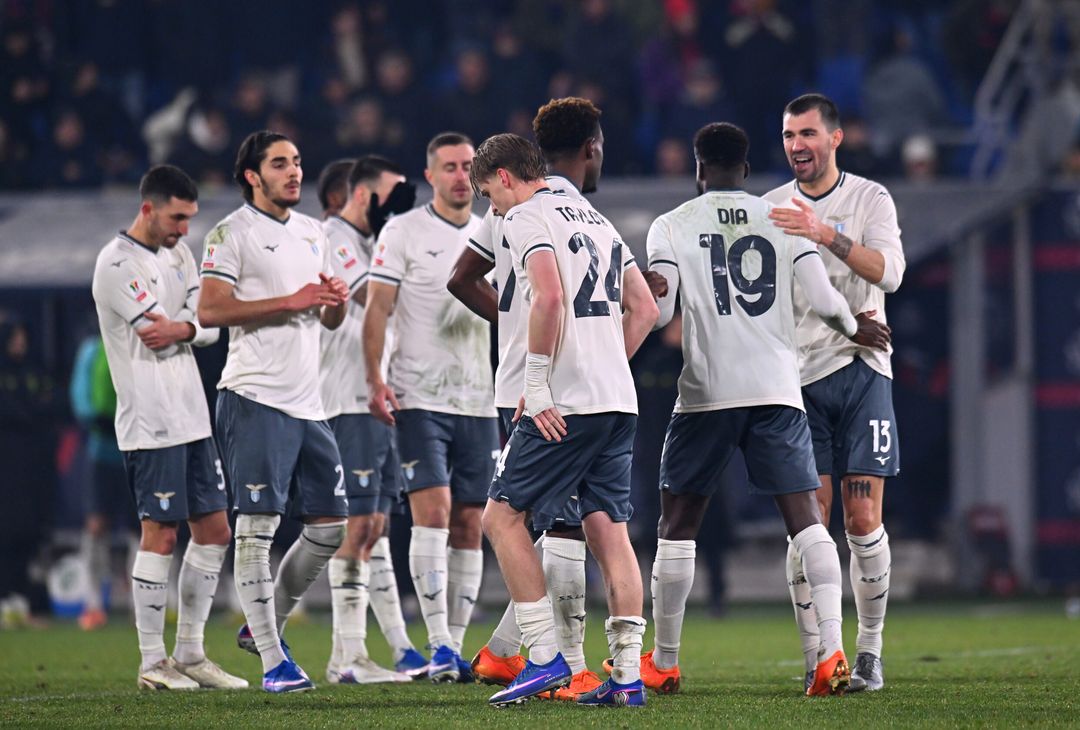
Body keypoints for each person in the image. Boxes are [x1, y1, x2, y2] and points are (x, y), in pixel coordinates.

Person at [644, 122, 892, 697]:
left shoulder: (670, 225)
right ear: (747, 170)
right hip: (778, 391)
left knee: (677, 526)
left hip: (706, 393)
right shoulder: (784, 219)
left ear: (699, 169)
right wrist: (855, 327)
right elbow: (825, 300)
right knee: (807, 521)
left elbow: (661, 315)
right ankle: (832, 653)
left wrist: (639, 293)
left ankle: (665, 661)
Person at [448, 96, 648, 700]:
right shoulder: (599, 221)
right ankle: (627, 678)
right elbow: (645, 308)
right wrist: (604, 360)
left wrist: (536, 383)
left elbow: (549, 297)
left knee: (501, 518)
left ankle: (543, 656)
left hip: (561, 399)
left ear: (505, 177)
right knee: (608, 530)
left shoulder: (523, 215)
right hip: (616, 398)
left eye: (489, 193)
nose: (490, 206)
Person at [197, 131, 351, 693]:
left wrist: (334, 302)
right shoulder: (230, 233)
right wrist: (290, 300)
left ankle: (262, 625)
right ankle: (272, 662)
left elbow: (326, 318)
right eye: (280, 163)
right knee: (257, 530)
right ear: (252, 176)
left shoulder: (313, 231)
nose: (294, 172)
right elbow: (210, 310)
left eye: (298, 161)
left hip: (309, 402)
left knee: (332, 526)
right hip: (254, 396)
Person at [765, 93, 906, 693]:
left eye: (807, 134)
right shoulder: (770, 208)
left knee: (862, 516)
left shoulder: (870, 198)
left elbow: (891, 274)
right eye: (788, 135)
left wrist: (824, 234)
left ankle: (869, 652)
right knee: (810, 524)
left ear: (835, 138)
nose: (796, 145)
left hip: (863, 370)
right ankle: (820, 655)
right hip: (797, 380)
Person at [90, 165, 246, 691]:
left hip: (192, 415)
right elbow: (156, 331)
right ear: (148, 208)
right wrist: (188, 325)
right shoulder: (116, 264)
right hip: (150, 421)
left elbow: (206, 324)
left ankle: (191, 654)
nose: (184, 229)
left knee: (215, 531)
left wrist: (186, 325)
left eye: (189, 219)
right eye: (177, 218)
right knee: (160, 533)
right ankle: (152, 661)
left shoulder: (179, 254)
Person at [363, 132, 496, 683]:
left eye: (468, 166)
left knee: (470, 522)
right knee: (434, 512)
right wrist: (375, 377)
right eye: (450, 167)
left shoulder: (496, 231)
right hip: (418, 395)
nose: (461, 176)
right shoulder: (403, 231)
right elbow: (377, 308)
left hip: (479, 398)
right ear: (431, 175)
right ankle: (438, 641)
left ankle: (455, 647)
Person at [319, 154, 421, 684]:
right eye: (391, 194)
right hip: (347, 399)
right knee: (357, 525)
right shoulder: (333, 238)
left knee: (376, 526)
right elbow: (374, 298)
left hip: (377, 399)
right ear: (363, 195)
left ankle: (352, 654)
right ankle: (348, 657)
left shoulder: (369, 241)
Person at [69, 329, 134, 630]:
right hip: (103, 451)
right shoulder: (92, 350)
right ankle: (93, 603)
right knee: (96, 526)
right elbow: (80, 396)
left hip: (136, 451)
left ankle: (140, 605)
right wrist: (97, 420)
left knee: (141, 528)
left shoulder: (137, 343)